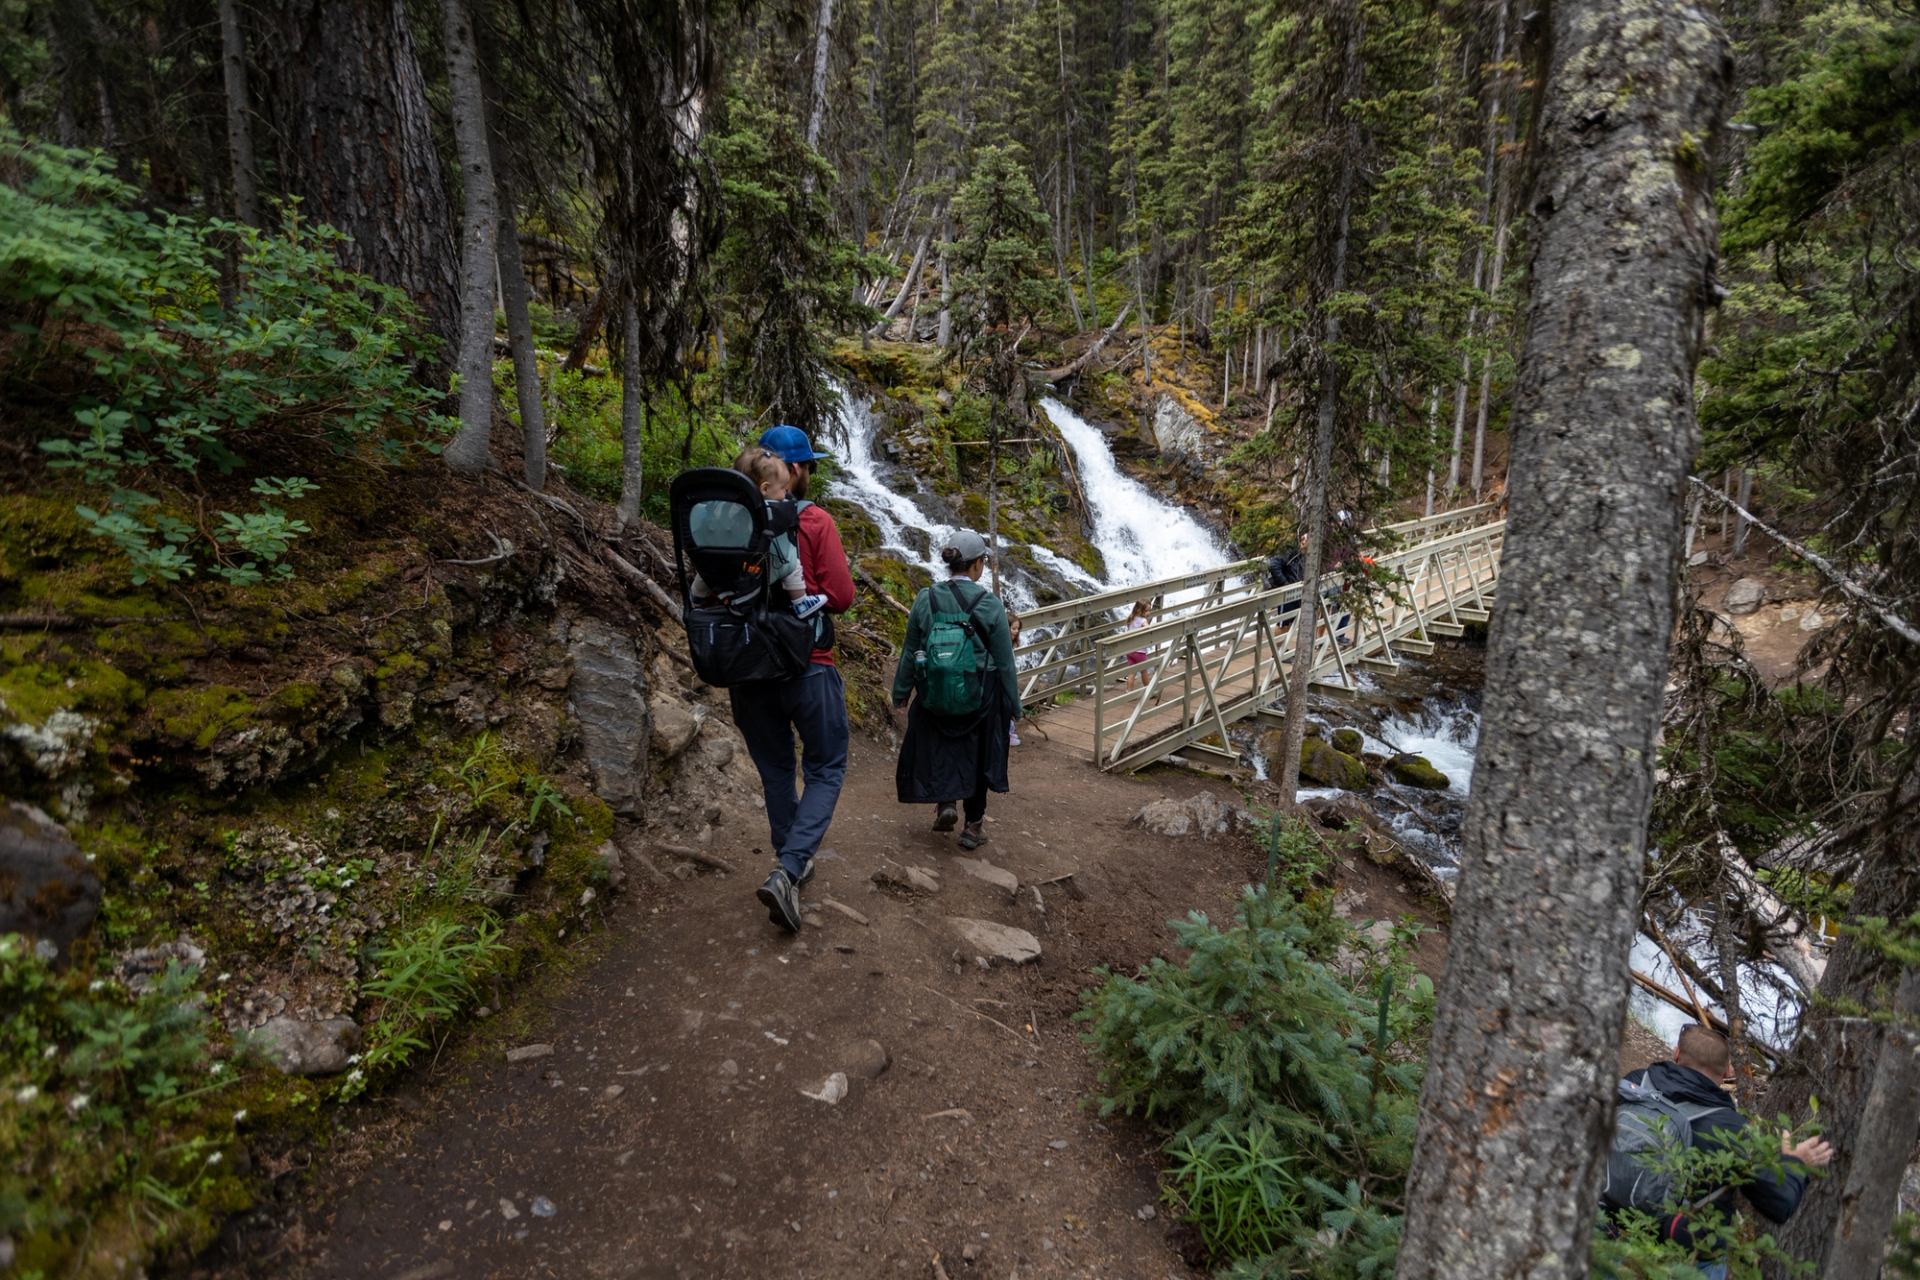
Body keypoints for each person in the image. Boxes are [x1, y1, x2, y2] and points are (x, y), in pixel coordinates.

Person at [734, 424, 856, 934]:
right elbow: (843, 596)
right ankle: (788, 867)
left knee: (777, 769)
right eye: (808, 465)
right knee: (826, 766)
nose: (809, 474)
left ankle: (791, 862)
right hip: (810, 665)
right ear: (794, 471)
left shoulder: (726, 519)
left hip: (746, 666)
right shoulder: (814, 520)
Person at [1614, 1025, 1832, 1276]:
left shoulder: (1634, 1083)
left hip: (1612, 1226)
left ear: (1676, 1053)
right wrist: (1794, 1162)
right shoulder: (1733, 1129)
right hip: (1687, 1253)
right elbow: (1779, 1203)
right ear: (1728, 1072)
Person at [891, 530, 1019, 851]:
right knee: (978, 753)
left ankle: (946, 802)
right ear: (976, 565)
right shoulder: (990, 605)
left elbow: (910, 650)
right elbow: (1005, 662)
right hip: (980, 692)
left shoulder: (926, 598)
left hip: (936, 688)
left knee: (942, 744)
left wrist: (901, 692)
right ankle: (973, 827)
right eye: (983, 563)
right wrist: (1015, 704)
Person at [688, 446, 827, 619]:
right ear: (765, 488)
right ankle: (800, 601)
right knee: (792, 561)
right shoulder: (769, 510)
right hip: (751, 572)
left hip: (719, 567)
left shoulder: (720, 505)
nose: (786, 493)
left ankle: (695, 597)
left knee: (706, 564)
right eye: (783, 488)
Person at [1121, 600, 1152, 691]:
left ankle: (1129, 691)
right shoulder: (1143, 620)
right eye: (1147, 611)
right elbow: (1147, 629)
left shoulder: (1132, 617)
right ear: (1139, 610)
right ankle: (1148, 691)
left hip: (1130, 650)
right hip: (1140, 651)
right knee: (1144, 671)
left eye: (1150, 610)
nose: (1149, 613)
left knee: (1131, 672)